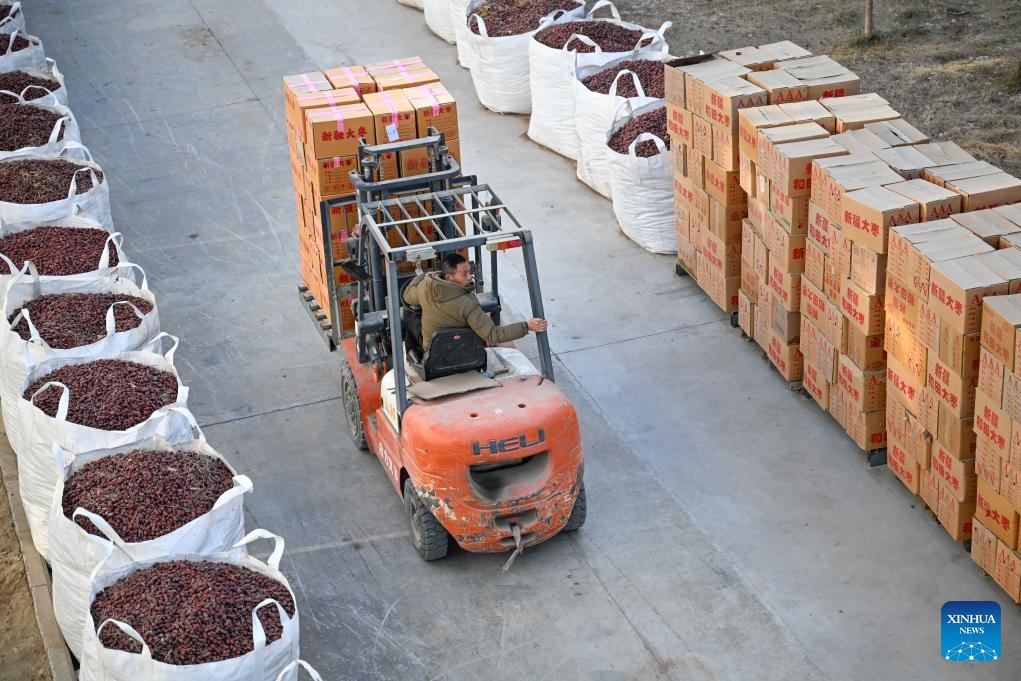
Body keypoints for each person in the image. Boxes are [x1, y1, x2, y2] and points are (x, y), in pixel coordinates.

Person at [403, 253, 547, 349]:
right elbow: (493, 335)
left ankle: (412, 353)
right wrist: (527, 326)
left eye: (469, 272)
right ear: (449, 278)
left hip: (433, 350)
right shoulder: (468, 303)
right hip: (461, 348)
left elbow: (407, 296)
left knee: (410, 314)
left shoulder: (424, 289)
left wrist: (427, 276)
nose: (470, 277)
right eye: (464, 274)